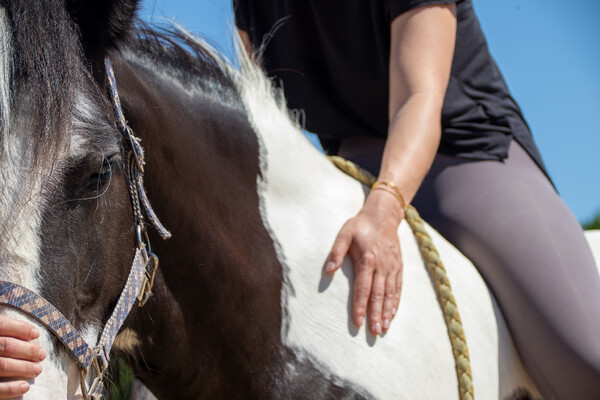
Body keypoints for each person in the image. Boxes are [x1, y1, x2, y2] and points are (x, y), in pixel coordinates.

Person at [233, 0, 600, 399]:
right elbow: (264, 119)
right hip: (349, 172)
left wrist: (385, 207)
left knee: (587, 362)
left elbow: (419, 97)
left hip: (463, 155)